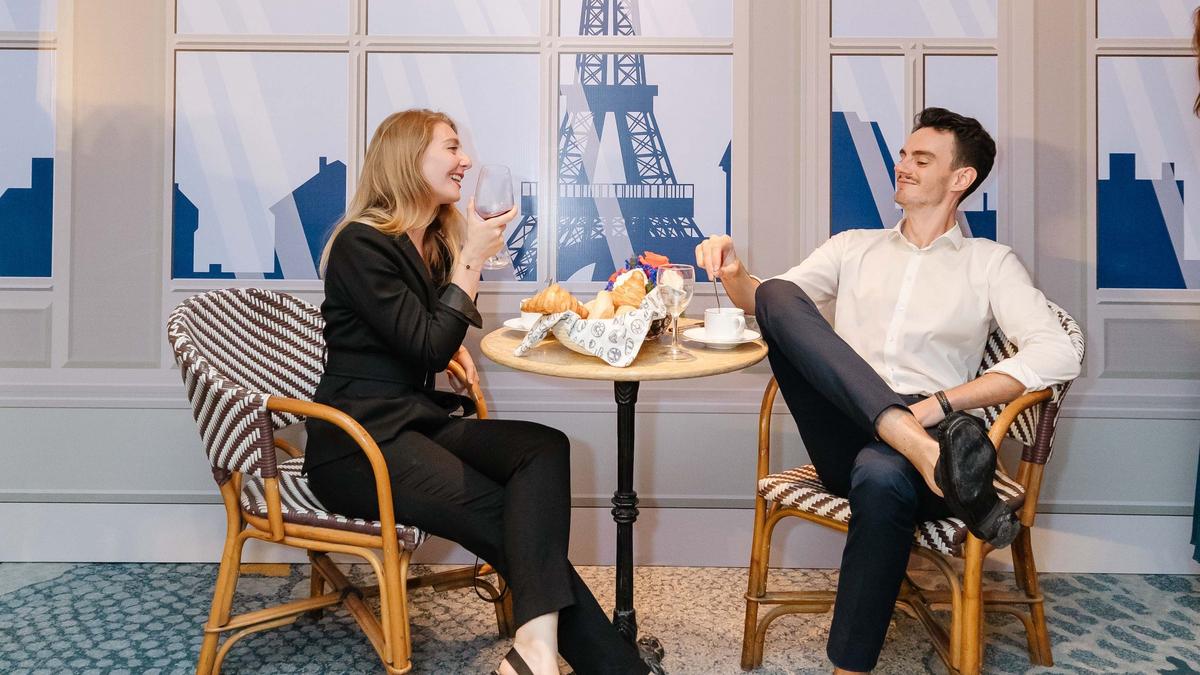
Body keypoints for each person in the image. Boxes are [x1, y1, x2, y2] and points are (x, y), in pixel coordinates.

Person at [696, 107, 1080, 674]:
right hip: (847, 430)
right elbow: (765, 303)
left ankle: (847, 668)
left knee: (881, 474)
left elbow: (1058, 352)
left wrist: (939, 405)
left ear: (961, 178)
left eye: (921, 159)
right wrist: (734, 271)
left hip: (932, 432)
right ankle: (915, 445)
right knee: (778, 293)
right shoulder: (852, 247)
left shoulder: (990, 263)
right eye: (903, 155)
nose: (902, 166)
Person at [304, 108, 652, 675]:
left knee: (544, 447)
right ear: (408, 158)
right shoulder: (360, 245)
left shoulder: (428, 242)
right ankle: (608, 668)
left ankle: (534, 649)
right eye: (451, 147)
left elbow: (418, 336)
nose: (465, 160)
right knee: (504, 516)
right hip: (357, 445)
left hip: (414, 422)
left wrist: (448, 325)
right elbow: (426, 345)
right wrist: (471, 261)